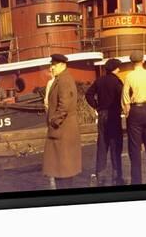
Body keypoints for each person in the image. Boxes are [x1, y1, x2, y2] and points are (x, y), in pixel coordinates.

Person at [42, 54, 82, 189]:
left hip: (62, 129)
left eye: (53, 65)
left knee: (64, 169)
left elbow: (64, 105)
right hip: (64, 129)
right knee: (62, 168)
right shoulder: (62, 79)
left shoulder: (64, 80)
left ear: (61, 65)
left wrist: (54, 121)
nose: (51, 68)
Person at [122, 50, 146, 184]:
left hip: (135, 111)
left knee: (135, 148)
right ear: (143, 61)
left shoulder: (129, 76)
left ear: (132, 62)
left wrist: (127, 112)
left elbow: (125, 98)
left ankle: (136, 180)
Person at [85, 58, 124, 186]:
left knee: (102, 144)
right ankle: (117, 173)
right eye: (118, 67)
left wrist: (96, 105)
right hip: (113, 115)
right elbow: (122, 97)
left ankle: (100, 172)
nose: (120, 69)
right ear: (115, 69)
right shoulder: (117, 82)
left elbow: (88, 94)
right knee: (115, 144)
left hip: (102, 115)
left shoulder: (99, 80)